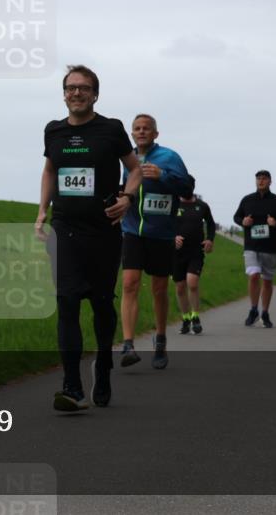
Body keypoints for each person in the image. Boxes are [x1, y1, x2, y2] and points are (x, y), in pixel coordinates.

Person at [37, 65, 141, 411]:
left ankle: (105, 365)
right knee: (66, 302)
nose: (76, 93)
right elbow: (50, 170)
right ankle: (72, 386)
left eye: (83, 88)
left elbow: (135, 167)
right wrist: (42, 211)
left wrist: (127, 197)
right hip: (65, 227)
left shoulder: (111, 129)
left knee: (100, 303)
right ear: (64, 93)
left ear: (95, 94)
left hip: (104, 230)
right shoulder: (53, 131)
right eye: (70, 88)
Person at [118, 115, 194, 369]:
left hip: (161, 233)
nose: (141, 132)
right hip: (132, 230)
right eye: (137, 129)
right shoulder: (125, 158)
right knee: (129, 284)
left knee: (159, 289)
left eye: (146, 129)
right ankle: (128, 344)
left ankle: (160, 339)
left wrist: (163, 176)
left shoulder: (170, 157)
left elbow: (187, 188)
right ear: (132, 133)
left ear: (155, 133)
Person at [233, 170, 276, 328]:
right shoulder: (247, 200)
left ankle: (265, 312)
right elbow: (236, 217)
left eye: (264, 179)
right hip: (251, 246)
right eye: (258, 178)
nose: (261, 181)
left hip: (271, 247)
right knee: (253, 276)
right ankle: (253, 309)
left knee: (267, 281)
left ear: (270, 182)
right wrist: (243, 221)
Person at [172, 181, 215, 335]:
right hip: (177, 253)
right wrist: (173, 237)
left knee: (192, 282)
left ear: (193, 187)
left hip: (196, 251)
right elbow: (165, 224)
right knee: (180, 287)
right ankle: (185, 318)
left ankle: (196, 317)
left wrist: (210, 239)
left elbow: (211, 224)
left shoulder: (202, 206)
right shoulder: (173, 204)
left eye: (188, 187)